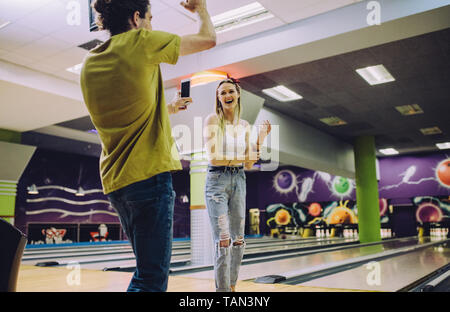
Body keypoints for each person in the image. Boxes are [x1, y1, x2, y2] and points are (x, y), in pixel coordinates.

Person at [80, 0, 216, 292]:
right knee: (151, 278)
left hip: (117, 183)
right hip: (149, 177)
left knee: (146, 271)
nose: (152, 25)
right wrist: (201, 9)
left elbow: (125, 111)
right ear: (137, 18)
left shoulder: (90, 62)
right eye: (151, 18)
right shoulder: (141, 42)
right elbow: (208, 39)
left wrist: (166, 108)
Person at [203, 78, 271, 292]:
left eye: (230, 91)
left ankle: (232, 287)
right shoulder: (213, 120)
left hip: (239, 180)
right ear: (218, 98)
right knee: (223, 240)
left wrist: (259, 139)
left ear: (238, 94)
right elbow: (214, 158)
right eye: (222, 93)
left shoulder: (244, 126)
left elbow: (250, 162)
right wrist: (240, 158)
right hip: (217, 181)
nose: (226, 95)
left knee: (238, 240)